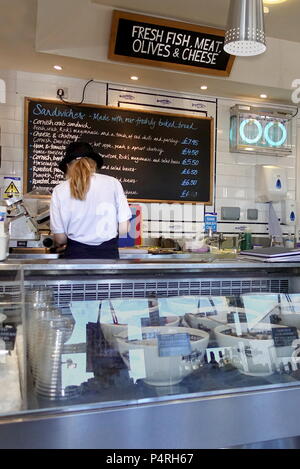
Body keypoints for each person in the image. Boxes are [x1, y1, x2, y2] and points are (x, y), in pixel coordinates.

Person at [50, 141, 132, 259]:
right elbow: (124, 228)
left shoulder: (59, 190)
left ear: (68, 166)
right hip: (108, 255)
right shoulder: (113, 183)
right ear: (94, 163)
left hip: (75, 255)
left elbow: (60, 238)